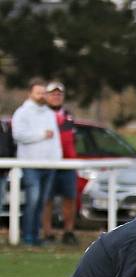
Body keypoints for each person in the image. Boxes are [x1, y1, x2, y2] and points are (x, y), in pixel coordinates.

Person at [11, 78, 61, 246]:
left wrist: (57, 159)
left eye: (43, 92)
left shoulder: (48, 113)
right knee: (32, 201)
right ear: (30, 93)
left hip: (49, 165)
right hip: (31, 165)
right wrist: (40, 134)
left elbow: (55, 140)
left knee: (42, 203)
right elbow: (18, 135)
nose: (41, 96)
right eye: (38, 92)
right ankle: (27, 236)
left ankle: (36, 235)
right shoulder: (22, 113)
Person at [42, 81, 79, 245]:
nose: (56, 97)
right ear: (46, 96)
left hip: (68, 163)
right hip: (48, 162)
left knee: (70, 198)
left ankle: (68, 231)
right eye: (53, 94)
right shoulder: (41, 115)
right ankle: (48, 232)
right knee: (47, 199)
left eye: (59, 94)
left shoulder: (68, 115)